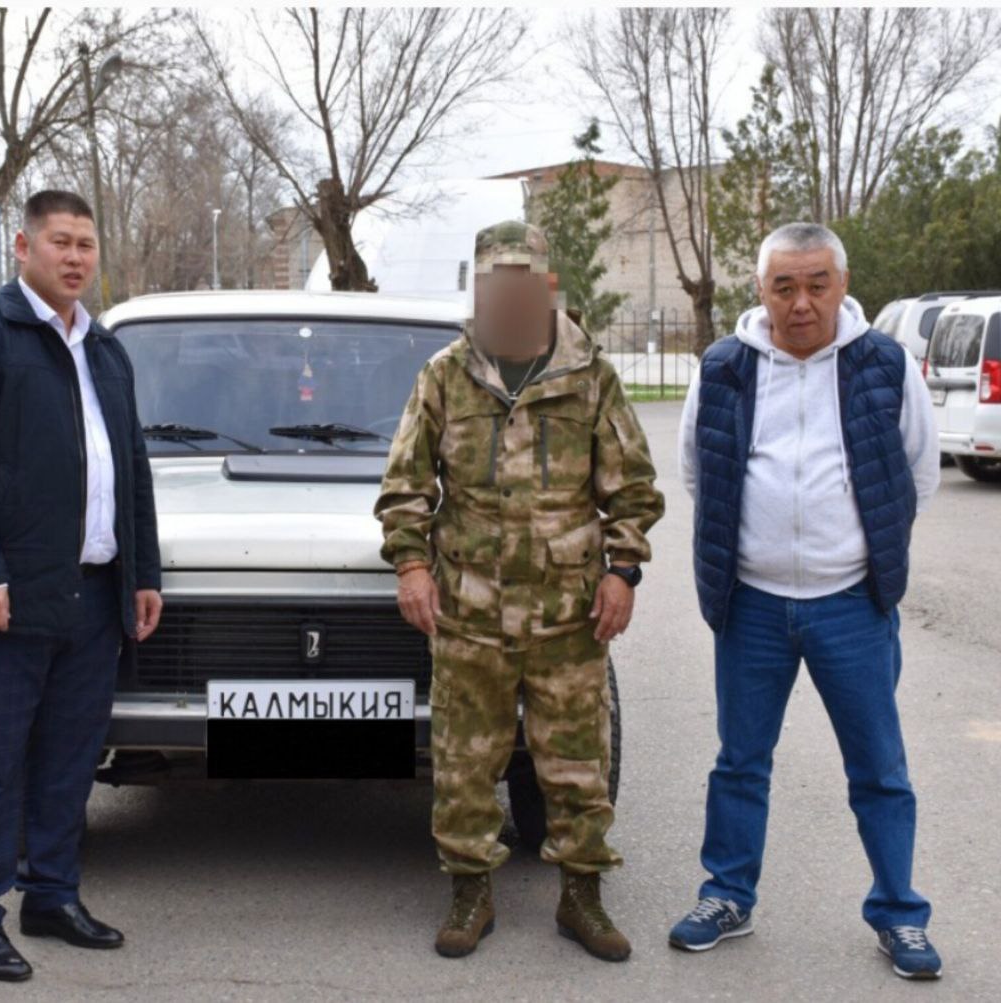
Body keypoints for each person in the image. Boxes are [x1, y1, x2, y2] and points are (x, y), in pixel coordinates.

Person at [374, 220, 664, 961]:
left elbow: (632, 488)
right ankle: (470, 890)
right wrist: (410, 565)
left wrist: (623, 571)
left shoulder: (589, 375)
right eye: (495, 283)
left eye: (522, 282)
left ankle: (581, 894)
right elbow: (405, 484)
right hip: (469, 609)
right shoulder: (446, 374)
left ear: (546, 286)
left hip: (569, 614)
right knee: (465, 760)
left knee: (578, 760)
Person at [671, 222, 943, 980]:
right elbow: (698, 470)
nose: (801, 303)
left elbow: (918, 475)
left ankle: (899, 912)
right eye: (784, 286)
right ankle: (727, 895)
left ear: (842, 285)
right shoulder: (724, 367)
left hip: (850, 605)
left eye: (817, 284)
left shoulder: (884, 364)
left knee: (879, 767)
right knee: (740, 762)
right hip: (751, 605)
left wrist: (859, 554)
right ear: (761, 290)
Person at [0, 190, 163, 982]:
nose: (75, 257)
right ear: (23, 247)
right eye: (60, 241)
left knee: (68, 759)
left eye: (86, 244)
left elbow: (131, 468)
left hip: (94, 595)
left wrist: (143, 574)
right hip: (6, 599)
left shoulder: (105, 348)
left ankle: (52, 894)